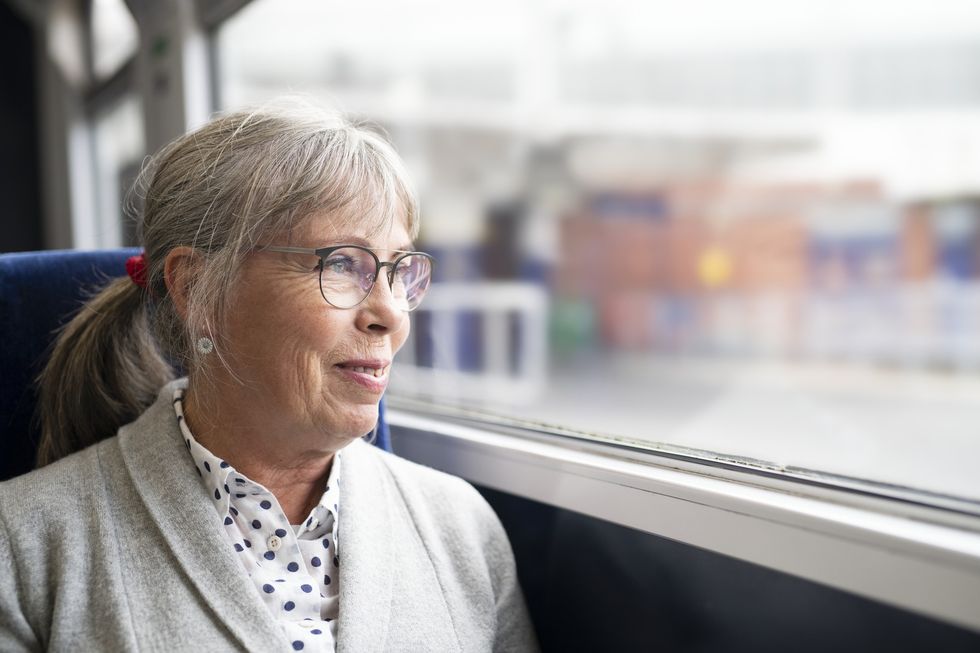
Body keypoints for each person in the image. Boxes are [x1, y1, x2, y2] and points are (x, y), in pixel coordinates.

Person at [0, 102, 538, 652]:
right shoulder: (20, 550)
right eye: (340, 265)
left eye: (398, 270)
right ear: (196, 290)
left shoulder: (463, 529)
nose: (392, 314)